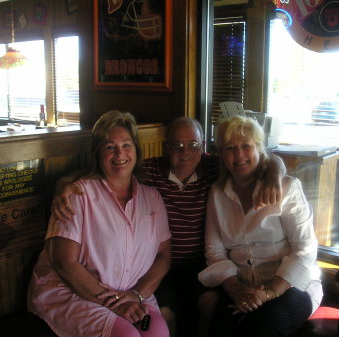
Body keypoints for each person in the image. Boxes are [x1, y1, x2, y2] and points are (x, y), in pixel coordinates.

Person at [51, 116, 286, 337]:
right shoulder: (150, 172)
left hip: (202, 265)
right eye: (177, 146)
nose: (185, 152)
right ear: (166, 147)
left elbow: (268, 159)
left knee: (210, 304)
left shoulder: (215, 168)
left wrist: (274, 175)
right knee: (165, 314)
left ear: (203, 146)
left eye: (193, 144)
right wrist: (64, 183)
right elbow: (115, 168)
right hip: (161, 267)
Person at [27, 111, 171, 337]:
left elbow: (164, 255)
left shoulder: (152, 197)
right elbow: (64, 262)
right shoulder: (76, 194)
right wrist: (116, 303)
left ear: (136, 150)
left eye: (126, 145)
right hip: (76, 293)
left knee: (158, 332)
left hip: (132, 295)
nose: (119, 154)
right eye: (110, 147)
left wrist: (138, 295)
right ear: (98, 153)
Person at [198, 115, 323, 337]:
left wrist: (270, 292)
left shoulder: (287, 188)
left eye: (246, 146)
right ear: (222, 155)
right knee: (220, 329)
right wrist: (236, 290)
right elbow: (214, 251)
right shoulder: (217, 194)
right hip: (241, 286)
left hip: (292, 285)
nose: (239, 155)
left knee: (262, 327)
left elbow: (305, 251)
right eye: (230, 148)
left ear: (258, 149)